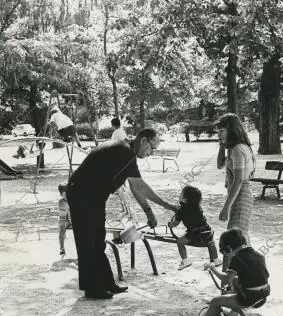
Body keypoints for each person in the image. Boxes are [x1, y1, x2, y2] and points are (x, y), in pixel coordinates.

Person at [66, 127, 177, 299]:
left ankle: (106, 282)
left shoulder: (126, 151)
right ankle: (93, 289)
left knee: (98, 240)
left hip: (93, 196)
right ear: (144, 141)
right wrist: (164, 204)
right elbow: (139, 186)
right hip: (81, 194)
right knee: (88, 242)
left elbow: (134, 186)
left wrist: (149, 212)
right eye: (152, 148)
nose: (151, 153)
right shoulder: (124, 152)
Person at [182, 228, 270, 316]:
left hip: (250, 297)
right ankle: (234, 313)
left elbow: (226, 279)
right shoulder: (257, 254)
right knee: (236, 280)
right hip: (264, 292)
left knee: (215, 301)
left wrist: (213, 268)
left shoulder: (237, 258)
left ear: (228, 248)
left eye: (225, 252)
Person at [216, 113, 255, 277]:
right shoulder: (235, 148)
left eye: (222, 130)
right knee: (240, 239)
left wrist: (226, 207)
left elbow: (239, 180)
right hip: (240, 195)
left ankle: (229, 283)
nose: (219, 134)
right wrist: (221, 146)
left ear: (231, 130)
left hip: (241, 195)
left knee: (232, 241)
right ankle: (246, 279)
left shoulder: (239, 149)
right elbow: (219, 166)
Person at [168, 185, 218, 270]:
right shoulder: (198, 207)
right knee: (211, 242)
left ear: (185, 199)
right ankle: (216, 259)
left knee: (180, 242)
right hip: (207, 231)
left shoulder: (182, 210)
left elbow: (175, 224)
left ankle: (185, 260)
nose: (179, 196)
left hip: (194, 234)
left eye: (181, 194)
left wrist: (170, 224)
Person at [58, 184, 72, 257]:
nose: (66, 195)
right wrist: (69, 222)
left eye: (68, 193)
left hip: (73, 219)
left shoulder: (73, 200)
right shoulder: (61, 202)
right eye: (64, 194)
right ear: (61, 194)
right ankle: (62, 248)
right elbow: (63, 216)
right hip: (64, 219)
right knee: (62, 229)